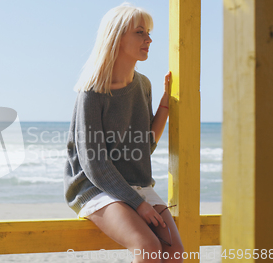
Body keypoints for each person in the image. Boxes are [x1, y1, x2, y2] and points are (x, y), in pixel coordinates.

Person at [63, 2, 184, 262]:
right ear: (116, 37)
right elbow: (94, 163)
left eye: (149, 32)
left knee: (174, 252)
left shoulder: (143, 84)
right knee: (148, 246)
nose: (149, 39)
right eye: (140, 32)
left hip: (136, 183)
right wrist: (137, 203)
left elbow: (144, 146)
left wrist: (166, 102)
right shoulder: (92, 92)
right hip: (95, 187)